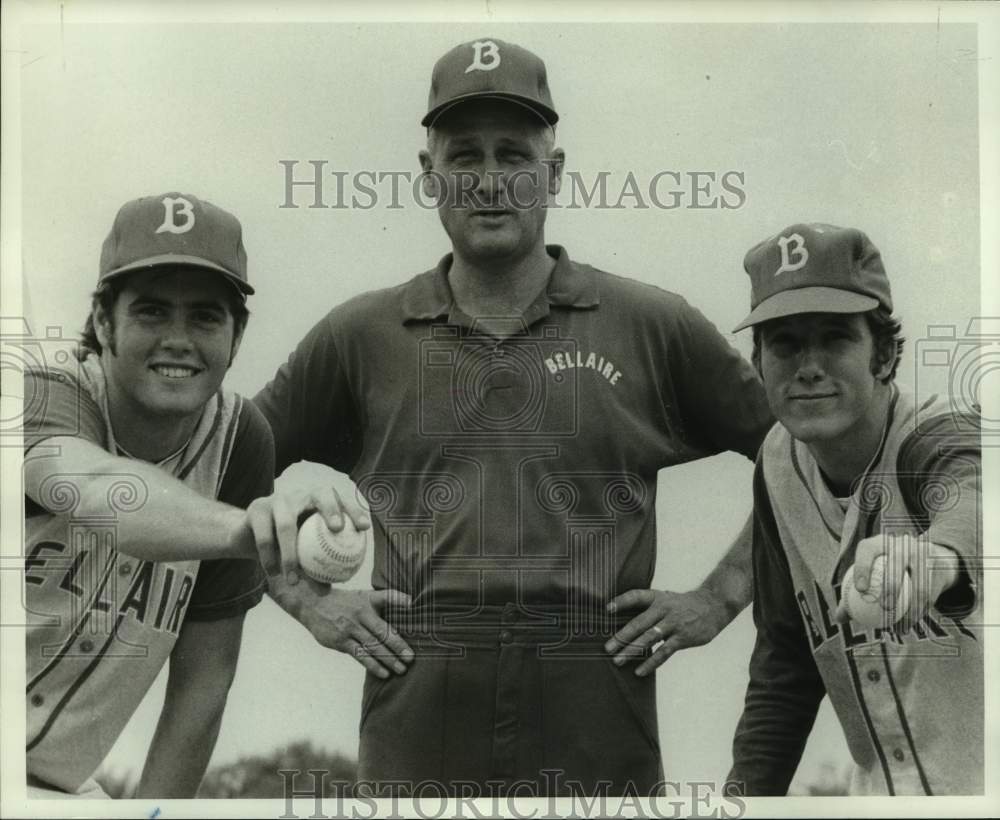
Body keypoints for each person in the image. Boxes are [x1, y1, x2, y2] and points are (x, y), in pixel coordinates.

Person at [251, 39, 773, 796]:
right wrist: (309, 603)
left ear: (553, 172)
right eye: (464, 157)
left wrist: (717, 599)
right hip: (418, 685)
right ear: (428, 175)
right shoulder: (360, 335)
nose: (490, 182)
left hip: (597, 684)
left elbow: (800, 457)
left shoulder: (650, 323)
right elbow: (225, 468)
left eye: (513, 156)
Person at [23, 193, 276, 798]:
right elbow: (102, 493)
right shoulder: (39, 390)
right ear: (104, 322)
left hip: (57, 787)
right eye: (152, 312)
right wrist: (246, 530)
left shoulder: (240, 443)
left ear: (237, 335)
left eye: (207, 317)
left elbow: (203, 686)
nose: (179, 340)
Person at [726, 223, 982, 795]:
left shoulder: (938, 435)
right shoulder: (777, 464)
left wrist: (936, 558)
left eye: (836, 338)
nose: (808, 366)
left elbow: (974, 496)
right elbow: (786, 662)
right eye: (785, 343)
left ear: (885, 354)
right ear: (760, 360)